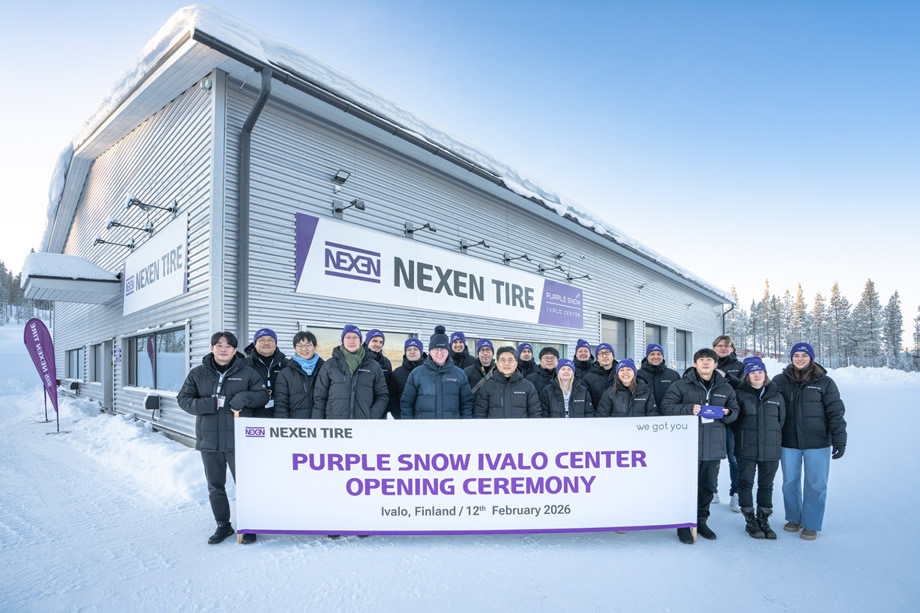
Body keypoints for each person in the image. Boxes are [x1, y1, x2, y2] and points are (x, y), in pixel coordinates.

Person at [177, 331, 268, 545]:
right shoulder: (198, 373)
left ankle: (249, 524)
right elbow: (184, 400)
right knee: (216, 486)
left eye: (228, 346)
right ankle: (223, 525)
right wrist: (209, 404)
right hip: (209, 440)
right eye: (219, 345)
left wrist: (244, 398)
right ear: (212, 348)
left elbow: (263, 395)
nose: (223, 349)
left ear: (235, 350)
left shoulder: (247, 372)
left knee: (245, 485)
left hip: (239, 441)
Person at [661, 348, 739, 544]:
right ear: (695, 364)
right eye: (701, 360)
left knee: (707, 487)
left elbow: (735, 412)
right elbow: (666, 407)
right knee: (686, 487)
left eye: (709, 360)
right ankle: (683, 525)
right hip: (687, 446)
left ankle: (701, 521)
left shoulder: (726, 388)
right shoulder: (681, 385)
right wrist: (688, 408)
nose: (705, 362)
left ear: (716, 364)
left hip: (713, 446)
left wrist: (728, 413)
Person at [773, 342, 847, 541]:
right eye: (796, 355)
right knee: (789, 482)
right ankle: (794, 518)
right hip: (789, 441)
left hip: (818, 442)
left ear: (811, 358)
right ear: (791, 357)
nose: (800, 359)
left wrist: (840, 439)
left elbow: (835, 412)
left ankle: (811, 524)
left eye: (804, 355)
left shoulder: (825, 382)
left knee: (816, 484)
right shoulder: (780, 381)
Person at [734, 357, 786, 540]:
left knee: (766, 485)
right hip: (746, 448)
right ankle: (750, 521)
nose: (757, 375)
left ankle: (763, 519)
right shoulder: (740, 394)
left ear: (765, 375)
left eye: (760, 372)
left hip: (770, 449)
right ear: (747, 376)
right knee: (745, 483)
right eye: (753, 373)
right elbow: (734, 422)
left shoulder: (776, 396)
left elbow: (781, 421)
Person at [312, 325, 389, 419]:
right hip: (335, 424)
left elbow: (382, 395)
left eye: (355, 337)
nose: (351, 341)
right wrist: (319, 422)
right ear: (342, 340)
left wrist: (371, 416)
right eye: (348, 337)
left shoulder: (373, 366)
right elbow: (319, 398)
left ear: (360, 341)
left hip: (363, 423)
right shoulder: (329, 365)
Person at [401, 326, 473, 419]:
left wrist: (464, 424)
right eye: (435, 350)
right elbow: (407, 404)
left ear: (448, 351)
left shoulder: (460, 374)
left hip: (452, 426)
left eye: (443, 350)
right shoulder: (416, 374)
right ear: (430, 351)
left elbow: (466, 404)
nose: (439, 353)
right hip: (424, 426)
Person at [712, 335, 744, 512]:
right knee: (712, 457)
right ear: (714, 348)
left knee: (734, 458)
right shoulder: (708, 363)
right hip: (712, 419)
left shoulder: (740, 366)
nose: (723, 348)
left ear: (732, 349)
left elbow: (746, 387)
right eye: (719, 345)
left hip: (732, 418)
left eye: (727, 346)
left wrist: (728, 377)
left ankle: (735, 494)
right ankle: (712, 490)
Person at [474, 346, 541, 418]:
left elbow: (535, 414)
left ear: (516, 364)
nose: (506, 363)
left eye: (510, 360)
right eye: (503, 360)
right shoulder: (487, 387)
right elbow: (480, 414)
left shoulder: (528, 387)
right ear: (497, 364)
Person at [274, 331, 324, 420]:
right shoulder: (286, 373)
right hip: (296, 424)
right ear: (295, 348)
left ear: (315, 347)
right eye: (299, 346)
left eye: (308, 345)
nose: (304, 349)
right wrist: (283, 424)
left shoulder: (325, 370)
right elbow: (281, 404)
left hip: (321, 422)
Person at [243, 327, 288, 418]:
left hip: (280, 414)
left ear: (275, 344)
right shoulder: (244, 365)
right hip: (252, 415)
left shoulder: (286, 364)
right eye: (262, 340)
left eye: (270, 340)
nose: (266, 343)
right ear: (255, 344)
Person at [390, 338, 427, 419]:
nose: (412, 352)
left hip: (426, 419)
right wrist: (399, 417)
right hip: (404, 419)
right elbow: (393, 399)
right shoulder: (397, 373)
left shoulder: (430, 371)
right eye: (409, 349)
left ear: (421, 352)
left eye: (415, 349)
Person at [364, 329, 397, 419]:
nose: (378, 344)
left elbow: (389, 388)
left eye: (381, 342)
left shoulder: (386, 362)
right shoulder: (359, 359)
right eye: (374, 341)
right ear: (367, 342)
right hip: (362, 409)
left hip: (381, 410)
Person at [637, 343, 681, 408]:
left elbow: (681, 396)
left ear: (662, 356)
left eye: (659, 354)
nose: (656, 357)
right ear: (647, 357)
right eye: (652, 354)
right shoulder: (638, 375)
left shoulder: (674, 375)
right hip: (645, 413)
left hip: (668, 412)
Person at [583, 342, 617, 409]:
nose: (604, 356)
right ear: (597, 358)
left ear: (613, 356)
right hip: (598, 414)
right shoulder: (588, 378)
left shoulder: (622, 374)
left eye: (607, 352)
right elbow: (586, 403)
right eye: (601, 353)